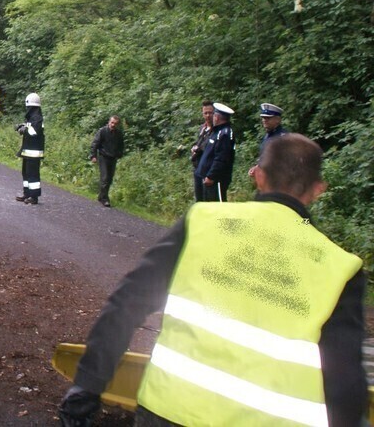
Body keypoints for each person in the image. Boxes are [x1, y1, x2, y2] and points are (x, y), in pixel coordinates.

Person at [59, 133, 366, 427]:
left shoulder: (203, 221)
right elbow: (344, 376)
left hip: (171, 410)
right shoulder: (340, 267)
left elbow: (127, 303)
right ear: (318, 190)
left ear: (258, 175)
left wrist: (87, 385)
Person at [194, 102, 235, 202]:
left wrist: (211, 176)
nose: (210, 117)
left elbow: (221, 158)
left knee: (217, 207)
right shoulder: (216, 131)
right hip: (205, 176)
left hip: (216, 179)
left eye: (212, 114)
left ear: (216, 117)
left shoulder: (224, 133)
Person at [15, 93, 44, 205]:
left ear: (31, 106)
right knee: (26, 173)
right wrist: (21, 126)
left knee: (33, 175)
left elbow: (34, 132)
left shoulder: (37, 118)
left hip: (34, 152)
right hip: (28, 151)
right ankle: (27, 194)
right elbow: (30, 127)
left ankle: (34, 197)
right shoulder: (32, 117)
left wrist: (24, 129)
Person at [89, 116, 124, 207]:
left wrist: (119, 154)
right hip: (103, 157)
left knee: (109, 179)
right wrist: (93, 155)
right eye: (112, 123)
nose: (113, 125)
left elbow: (121, 145)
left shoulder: (119, 134)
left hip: (113, 158)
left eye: (115, 124)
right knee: (104, 178)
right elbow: (95, 143)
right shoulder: (102, 131)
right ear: (109, 122)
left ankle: (101, 196)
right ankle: (105, 199)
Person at [248, 103, 287, 178]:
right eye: (263, 118)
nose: (264, 120)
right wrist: (257, 167)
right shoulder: (267, 136)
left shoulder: (283, 138)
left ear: (277, 120)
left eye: (268, 118)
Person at [190, 100, 213, 201]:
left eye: (210, 113)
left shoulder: (217, 130)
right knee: (199, 199)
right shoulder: (202, 128)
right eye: (205, 113)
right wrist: (194, 147)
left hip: (208, 170)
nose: (208, 115)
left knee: (208, 200)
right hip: (197, 167)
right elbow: (198, 142)